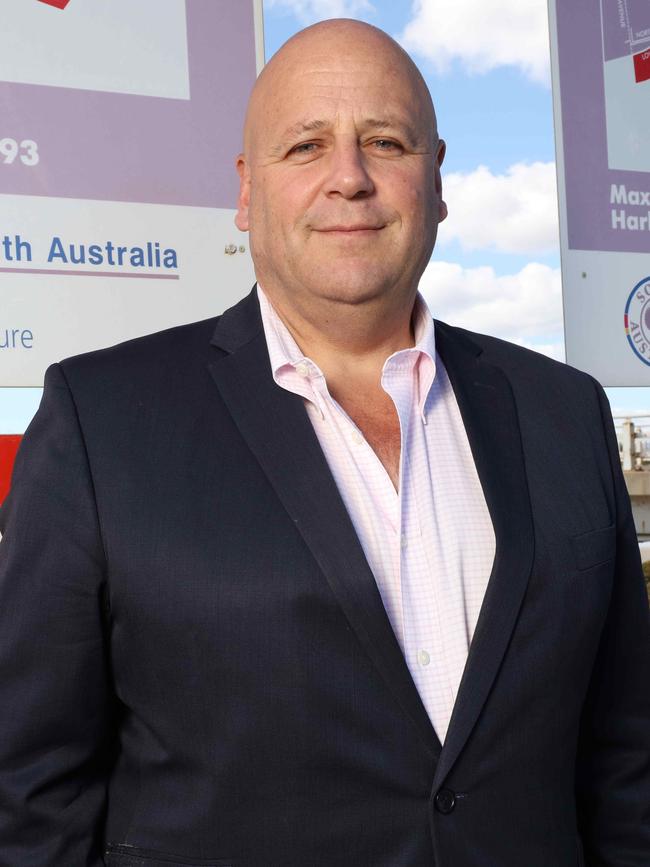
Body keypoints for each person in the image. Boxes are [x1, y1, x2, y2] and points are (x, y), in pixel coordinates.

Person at [0, 18, 648, 867]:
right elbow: (29, 787)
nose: (349, 178)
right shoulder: (101, 420)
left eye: (385, 140)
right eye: (305, 146)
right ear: (245, 189)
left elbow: (625, 758)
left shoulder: (564, 413)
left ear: (438, 179)